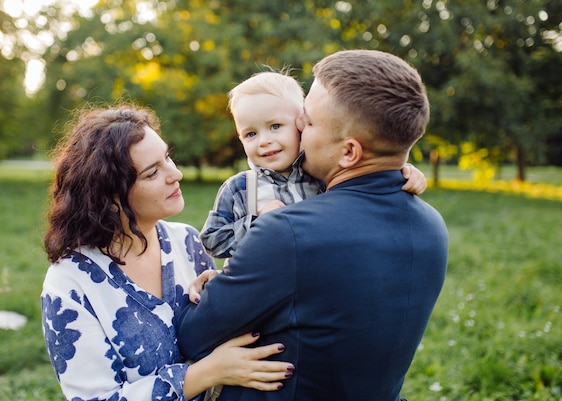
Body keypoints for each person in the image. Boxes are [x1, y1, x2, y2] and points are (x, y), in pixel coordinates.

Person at [177, 50, 449, 401]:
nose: (299, 128)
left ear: (349, 152)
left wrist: (217, 289)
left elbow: (193, 336)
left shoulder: (286, 232)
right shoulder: (432, 225)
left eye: (308, 121)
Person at [40, 105, 295, 401]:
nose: (176, 174)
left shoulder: (187, 241)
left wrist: (221, 285)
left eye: (168, 157)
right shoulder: (69, 284)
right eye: (152, 173)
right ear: (109, 198)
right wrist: (208, 372)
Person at [200, 70, 428, 259]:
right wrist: (258, 225)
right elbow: (211, 241)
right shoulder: (240, 188)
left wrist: (402, 172)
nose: (264, 140)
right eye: (250, 134)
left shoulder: (321, 175)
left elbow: (366, 174)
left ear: (300, 122)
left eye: (276, 126)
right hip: (267, 286)